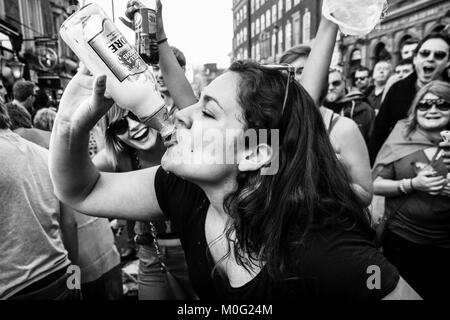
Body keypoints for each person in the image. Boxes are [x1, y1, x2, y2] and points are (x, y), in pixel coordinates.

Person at [49, 1, 420, 300]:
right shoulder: (187, 191)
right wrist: (69, 124)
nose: (185, 111)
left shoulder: (325, 253)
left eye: (208, 110)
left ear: (256, 152)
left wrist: (330, 22)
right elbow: (82, 190)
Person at [94, 104, 194, 300]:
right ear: (112, 133)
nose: (133, 126)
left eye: (135, 114)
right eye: (120, 125)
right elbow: (71, 179)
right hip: (151, 256)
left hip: (196, 250)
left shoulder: (181, 138)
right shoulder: (117, 158)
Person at [373, 81, 450, 299]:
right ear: (415, 110)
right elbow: (374, 184)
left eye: (442, 104)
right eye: (424, 105)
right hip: (405, 239)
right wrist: (413, 184)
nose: (433, 110)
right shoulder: (400, 136)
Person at [0, 102, 79, 300]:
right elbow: (70, 223)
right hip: (62, 274)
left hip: (15, 289)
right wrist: (75, 279)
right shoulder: (45, 154)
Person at [280, 46, 373, 206]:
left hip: (330, 225)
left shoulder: (343, 128)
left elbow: (365, 195)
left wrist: (324, 178)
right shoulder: (274, 125)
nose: (296, 78)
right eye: (289, 72)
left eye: (304, 70)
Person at [369, 32, 450, 164]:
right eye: (425, 53)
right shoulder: (397, 89)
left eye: (439, 55)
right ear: (415, 58)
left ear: (448, 62)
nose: (430, 58)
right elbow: (379, 133)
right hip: (398, 170)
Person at [323, 68, 375, 143]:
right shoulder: (319, 107)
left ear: (344, 83)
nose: (330, 88)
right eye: (326, 84)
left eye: (336, 83)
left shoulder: (361, 108)